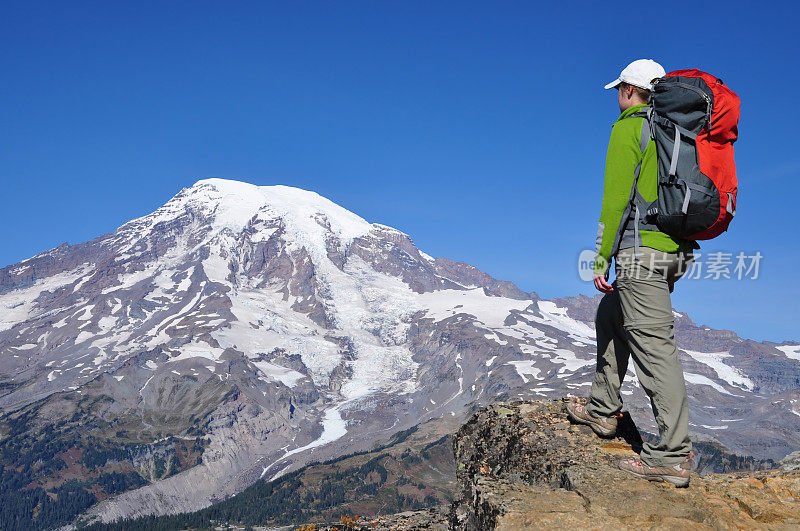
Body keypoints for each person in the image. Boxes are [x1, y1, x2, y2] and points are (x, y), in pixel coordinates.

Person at [566, 59, 697, 487]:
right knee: (611, 313)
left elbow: (616, 199)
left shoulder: (630, 127)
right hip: (674, 251)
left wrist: (602, 256)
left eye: (619, 90)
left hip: (642, 254)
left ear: (628, 90)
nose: (617, 98)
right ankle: (604, 410)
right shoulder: (674, 131)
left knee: (655, 349)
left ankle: (673, 456)